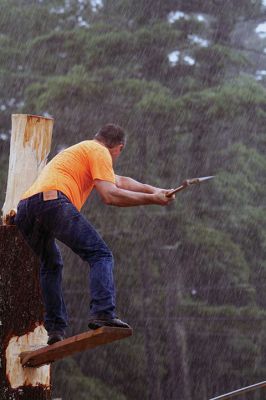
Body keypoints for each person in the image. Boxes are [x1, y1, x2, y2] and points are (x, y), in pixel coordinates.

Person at [15, 123, 175, 345]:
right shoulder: (99, 152)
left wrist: (155, 190)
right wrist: (153, 201)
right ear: (119, 148)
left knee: (51, 264)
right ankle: (103, 313)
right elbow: (110, 195)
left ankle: (55, 329)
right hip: (52, 202)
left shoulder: (84, 151)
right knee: (100, 255)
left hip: (26, 209)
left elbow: (120, 180)